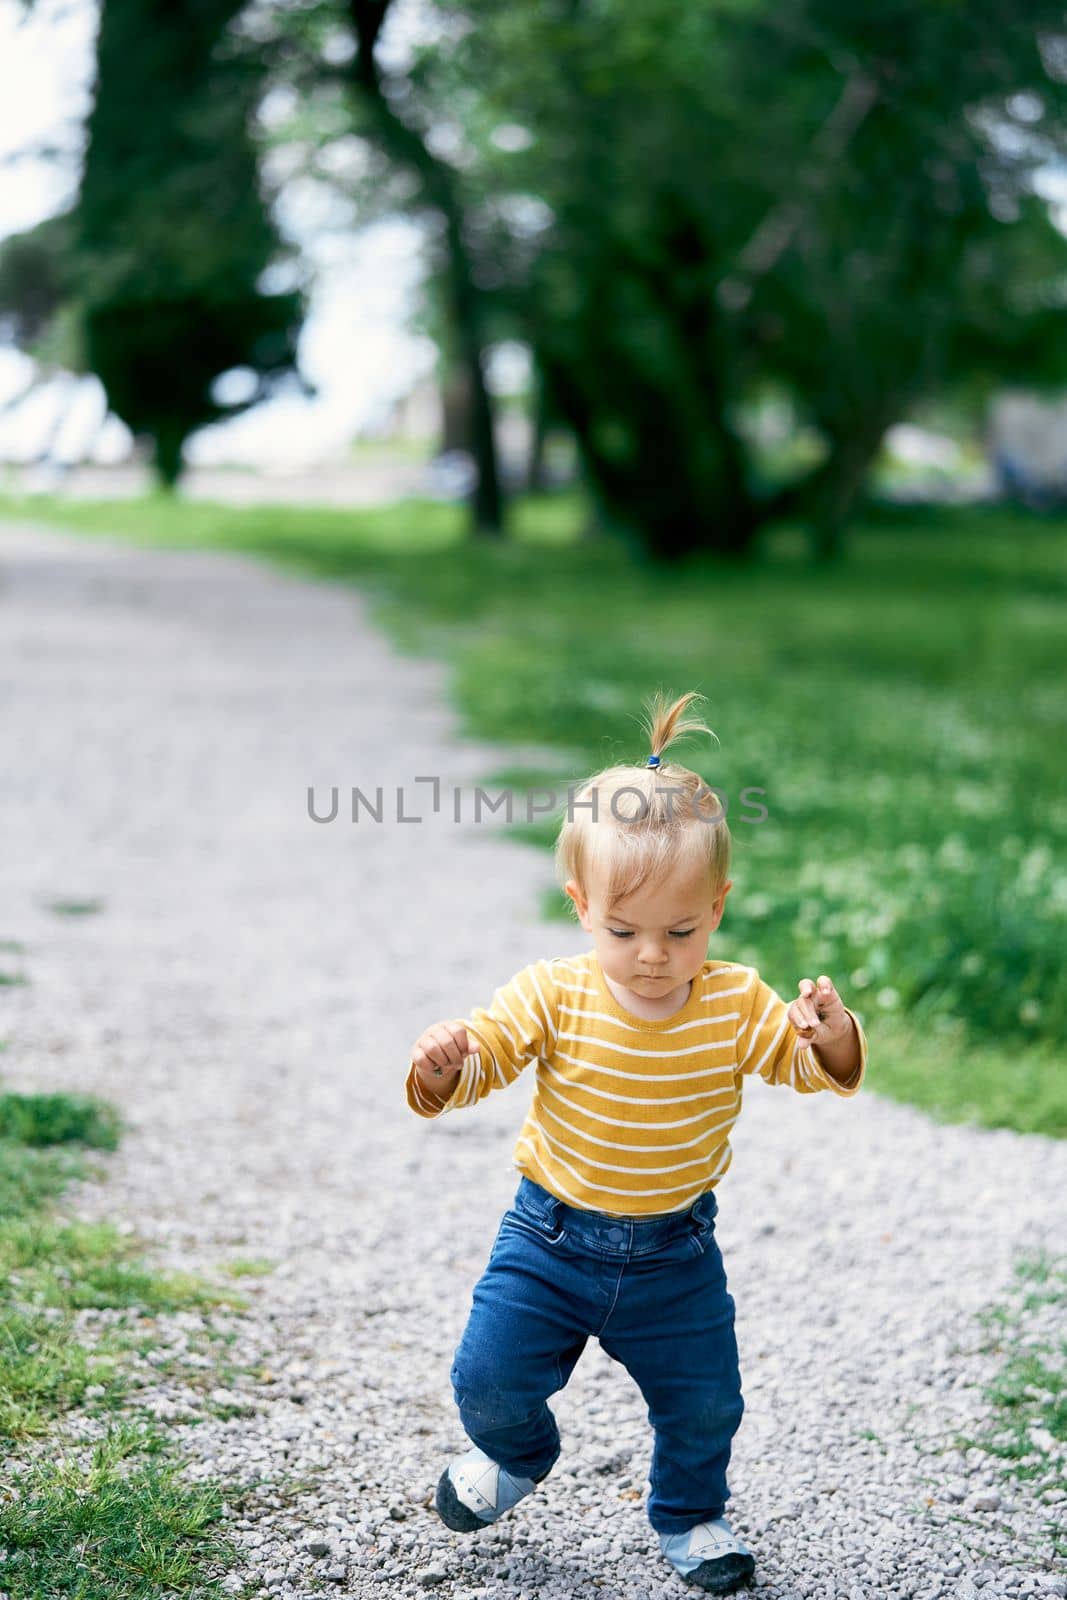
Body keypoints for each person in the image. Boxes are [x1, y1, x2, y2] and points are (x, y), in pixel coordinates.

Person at [405, 689, 868, 1597]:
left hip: (673, 1254)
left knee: (703, 1405)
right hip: (550, 1239)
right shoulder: (553, 993)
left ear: (718, 908)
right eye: (623, 931)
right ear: (581, 907)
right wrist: (439, 1066)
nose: (652, 954)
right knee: (487, 1377)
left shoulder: (733, 1003)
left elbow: (810, 1067)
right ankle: (516, 1455)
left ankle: (690, 1514)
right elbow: (482, 1063)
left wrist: (834, 1030)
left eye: (680, 930)